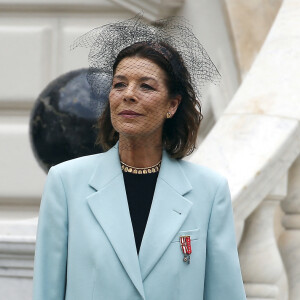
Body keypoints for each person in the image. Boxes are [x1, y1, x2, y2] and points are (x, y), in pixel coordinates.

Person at [33, 15, 246, 300]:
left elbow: (225, 294)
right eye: (120, 84)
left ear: (172, 105)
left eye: (146, 86)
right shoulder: (66, 183)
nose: (128, 95)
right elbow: (47, 290)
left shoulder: (209, 191)